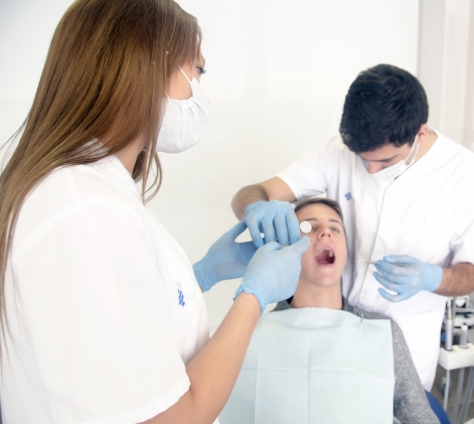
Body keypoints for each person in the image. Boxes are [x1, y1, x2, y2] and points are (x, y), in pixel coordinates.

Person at [0, 1, 309, 422]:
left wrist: (199, 276)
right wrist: (253, 298)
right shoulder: (84, 210)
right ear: (148, 66)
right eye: (197, 72)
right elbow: (165, 417)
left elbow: (118, 328)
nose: (201, 94)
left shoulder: (91, 192)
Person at [231, 64, 474, 391]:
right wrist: (255, 208)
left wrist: (433, 277)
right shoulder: (339, 152)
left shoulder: (467, 174)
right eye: (362, 159)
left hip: (408, 350)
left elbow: (471, 274)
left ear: (420, 133)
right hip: (335, 331)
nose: (370, 170)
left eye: (385, 161)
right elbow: (251, 193)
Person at [220, 198, 439, 424]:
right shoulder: (249, 336)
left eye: (335, 228)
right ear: (288, 250)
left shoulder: (384, 332)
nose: (325, 232)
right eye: (309, 227)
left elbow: (421, 419)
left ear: (345, 254)